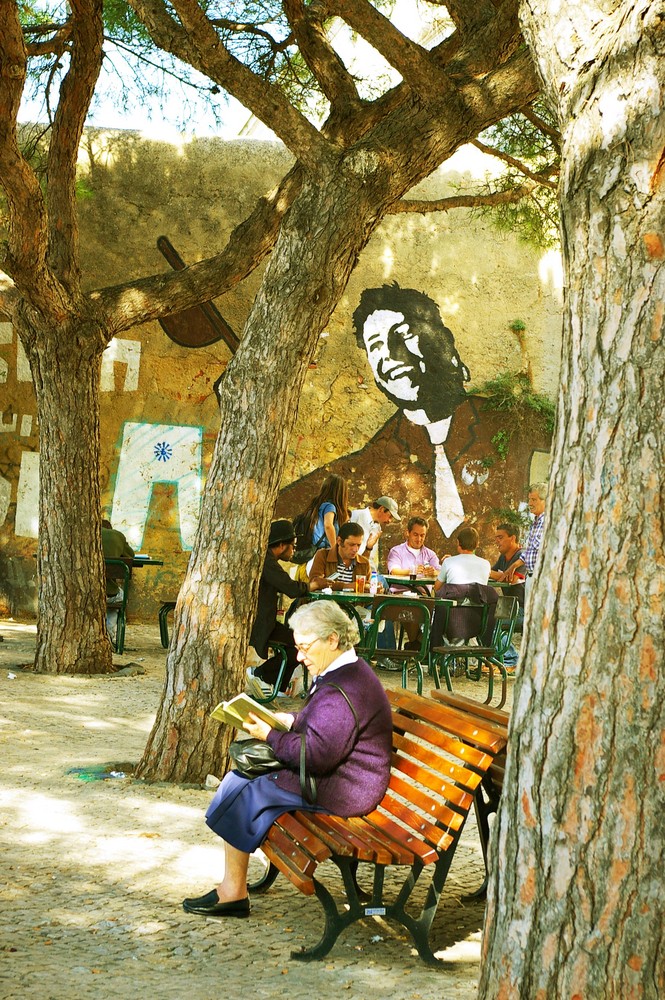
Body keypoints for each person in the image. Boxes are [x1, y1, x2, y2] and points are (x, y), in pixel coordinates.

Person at [182, 601, 393, 918]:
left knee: (244, 786)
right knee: (240, 779)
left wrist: (270, 735)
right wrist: (292, 720)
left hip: (344, 788)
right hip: (343, 776)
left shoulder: (343, 686)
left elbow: (317, 755)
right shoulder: (345, 671)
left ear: (333, 640)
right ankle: (233, 888)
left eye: (305, 648)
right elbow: (325, 728)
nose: (299, 657)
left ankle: (232, 893)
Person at [250, 519, 328, 694]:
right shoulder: (267, 562)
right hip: (258, 624)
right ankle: (260, 674)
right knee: (302, 644)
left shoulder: (268, 560)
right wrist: (313, 585)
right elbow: (290, 588)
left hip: (265, 621)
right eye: (292, 545)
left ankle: (275, 686)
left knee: (298, 645)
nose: (293, 550)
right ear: (281, 545)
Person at [489, 523, 525, 669]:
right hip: (508, 608)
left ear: (513, 538)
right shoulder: (503, 558)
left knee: (492, 624)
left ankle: (511, 660)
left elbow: (511, 578)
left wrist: (485, 570)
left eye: (501, 537)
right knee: (484, 618)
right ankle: (500, 660)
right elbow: (493, 575)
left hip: (523, 609)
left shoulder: (522, 557)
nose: (497, 541)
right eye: (496, 538)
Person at [309, 521, 370, 592]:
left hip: (355, 603)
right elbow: (315, 582)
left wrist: (374, 588)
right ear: (339, 541)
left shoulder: (364, 563)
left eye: (358, 545)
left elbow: (368, 586)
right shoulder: (323, 555)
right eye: (351, 544)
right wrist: (349, 586)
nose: (355, 549)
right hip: (327, 602)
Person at [101, 518, 134, 641]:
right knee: (118, 597)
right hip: (109, 593)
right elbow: (131, 555)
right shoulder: (118, 536)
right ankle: (111, 633)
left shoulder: (85, 534)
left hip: (87, 593)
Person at [299, 474, 350, 553]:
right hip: (324, 550)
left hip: (315, 548)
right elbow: (328, 525)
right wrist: (334, 549)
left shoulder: (319, 504)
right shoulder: (330, 507)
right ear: (341, 493)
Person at [349, 496, 400, 574]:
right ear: (381, 509)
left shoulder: (378, 527)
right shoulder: (356, 516)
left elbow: (372, 557)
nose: (389, 521)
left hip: (369, 571)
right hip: (352, 569)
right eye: (390, 516)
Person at [387, 516, 441, 582]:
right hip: (401, 591)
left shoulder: (431, 555)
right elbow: (394, 571)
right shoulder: (396, 551)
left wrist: (434, 572)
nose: (419, 539)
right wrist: (412, 571)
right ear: (407, 533)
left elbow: (441, 573)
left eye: (422, 535)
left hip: (423, 592)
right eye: (415, 534)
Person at [522, 482, 547, 595]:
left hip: (542, 578)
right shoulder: (535, 523)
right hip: (530, 577)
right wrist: (513, 566)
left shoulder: (549, 522)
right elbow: (529, 550)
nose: (530, 503)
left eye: (534, 500)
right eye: (529, 500)